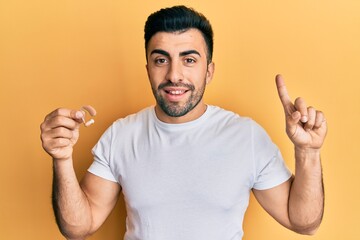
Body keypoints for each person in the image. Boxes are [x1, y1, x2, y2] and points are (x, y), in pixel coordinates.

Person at [40, 5, 327, 240]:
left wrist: (308, 153)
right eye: (161, 60)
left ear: (209, 70)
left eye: (189, 60)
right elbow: (78, 227)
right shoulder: (121, 135)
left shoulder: (246, 136)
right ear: (148, 69)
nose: (174, 75)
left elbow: (303, 222)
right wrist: (62, 159)